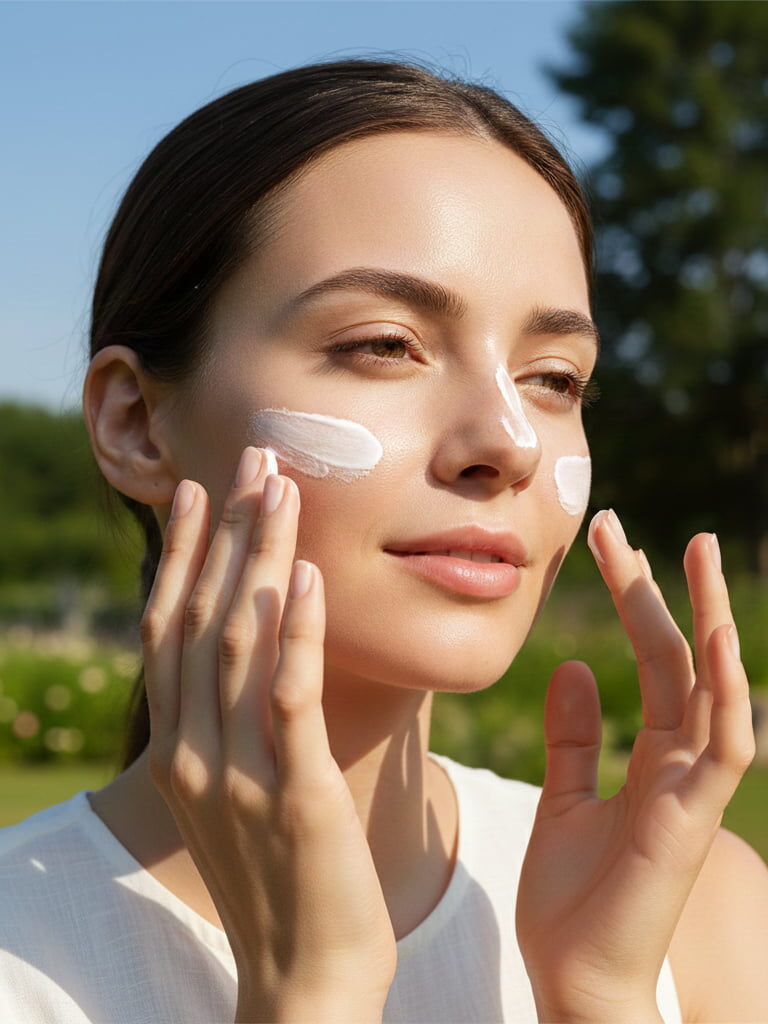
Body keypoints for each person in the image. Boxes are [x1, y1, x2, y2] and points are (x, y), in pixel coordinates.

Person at [1, 56, 766, 1024]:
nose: (509, 444)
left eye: (554, 378)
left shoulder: (692, 912)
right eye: (384, 345)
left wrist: (602, 995)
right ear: (134, 423)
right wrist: (310, 994)